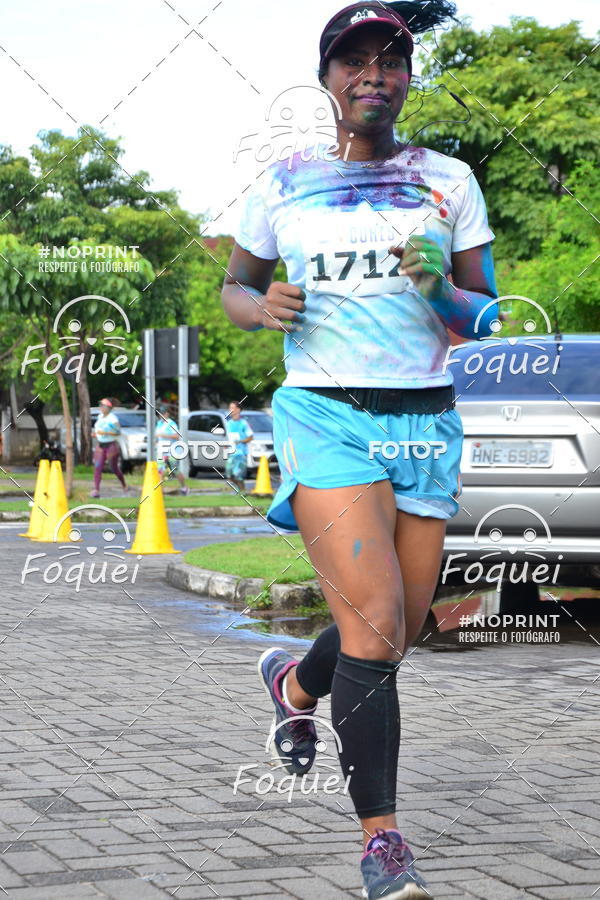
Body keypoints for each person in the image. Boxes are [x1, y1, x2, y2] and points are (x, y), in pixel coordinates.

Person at [222, 2, 498, 896]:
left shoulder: (449, 179)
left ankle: (295, 689)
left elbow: (482, 316)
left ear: (408, 78)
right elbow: (236, 286)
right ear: (328, 78)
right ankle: (384, 843)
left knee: (398, 628)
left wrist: (439, 294)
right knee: (376, 618)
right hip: (325, 415)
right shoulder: (283, 181)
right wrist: (260, 310)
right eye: (355, 60)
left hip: (423, 420)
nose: (373, 73)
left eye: (391, 59)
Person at [91, 398, 128, 498]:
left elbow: (118, 432)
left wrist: (105, 433)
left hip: (111, 445)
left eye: (103, 406)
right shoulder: (100, 417)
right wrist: (96, 434)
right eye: (100, 405)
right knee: (97, 467)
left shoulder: (113, 419)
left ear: (108, 408)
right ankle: (96, 490)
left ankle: (124, 484)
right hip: (101, 445)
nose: (101, 407)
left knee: (114, 468)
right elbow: (99, 429)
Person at [156, 406, 189, 495]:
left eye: (162, 413)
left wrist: (163, 435)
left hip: (172, 451)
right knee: (160, 470)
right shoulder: (159, 423)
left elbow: (177, 436)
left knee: (175, 470)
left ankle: (184, 487)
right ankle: (160, 491)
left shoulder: (171, 423)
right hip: (162, 451)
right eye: (159, 414)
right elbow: (157, 436)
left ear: (167, 414)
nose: (161, 415)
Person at [224, 401, 253, 493]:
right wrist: (226, 444)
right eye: (230, 408)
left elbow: (250, 437)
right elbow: (229, 438)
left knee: (239, 476)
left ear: (238, 410)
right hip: (231, 453)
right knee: (229, 475)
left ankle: (242, 492)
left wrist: (240, 441)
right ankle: (241, 490)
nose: (230, 410)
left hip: (241, 453)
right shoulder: (229, 423)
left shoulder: (243, 423)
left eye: (232, 408)